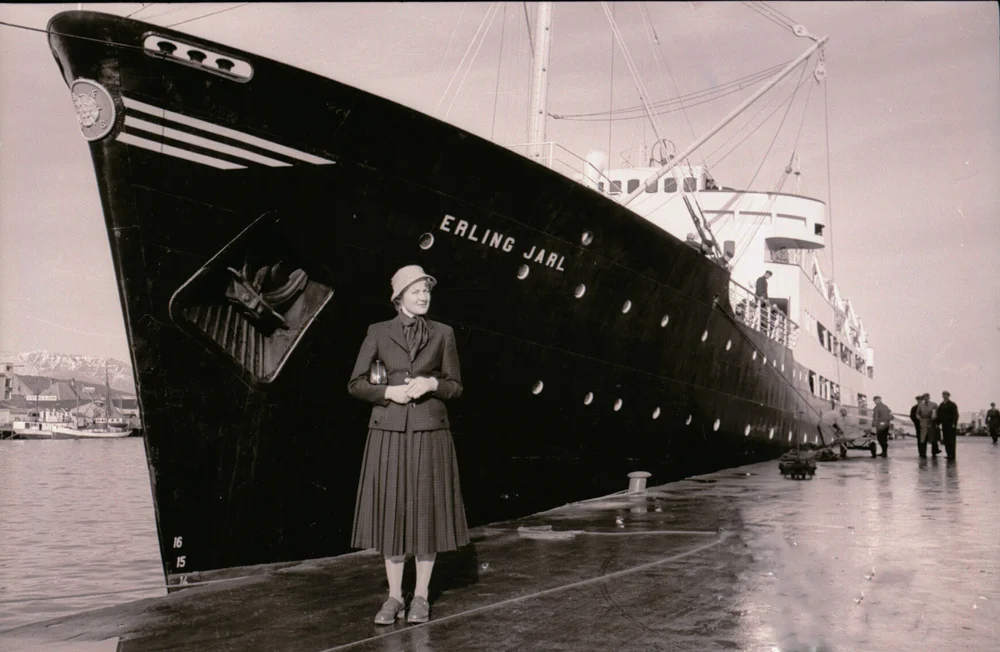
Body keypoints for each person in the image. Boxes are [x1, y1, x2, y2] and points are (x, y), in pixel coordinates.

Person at [348, 264, 469, 625]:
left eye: (426, 290)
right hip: (389, 432)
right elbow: (355, 383)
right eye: (415, 291)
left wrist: (433, 385)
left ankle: (421, 596)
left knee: (427, 514)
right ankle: (394, 596)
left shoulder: (443, 333)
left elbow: (456, 387)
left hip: (430, 432)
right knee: (392, 514)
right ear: (399, 298)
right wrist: (389, 392)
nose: (423, 296)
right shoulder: (377, 331)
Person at [916, 393, 940, 458]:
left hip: (932, 422)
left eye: (927, 397)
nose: (925, 398)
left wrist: (936, 417)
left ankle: (934, 452)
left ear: (929, 397)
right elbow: (917, 413)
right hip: (923, 422)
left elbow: (938, 412)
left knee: (932, 437)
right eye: (924, 397)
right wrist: (919, 418)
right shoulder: (920, 405)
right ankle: (923, 453)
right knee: (923, 438)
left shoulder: (934, 404)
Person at [936, 391, 959, 460]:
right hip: (944, 424)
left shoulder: (952, 404)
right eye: (943, 395)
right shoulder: (941, 405)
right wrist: (937, 423)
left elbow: (956, 415)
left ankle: (952, 455)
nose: (944, 396)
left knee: (951, 440)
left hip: (951, 425)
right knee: (946, 439)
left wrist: (954, 423)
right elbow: (939, 415)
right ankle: (948, 454)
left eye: (946, 395)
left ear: (948, 396)